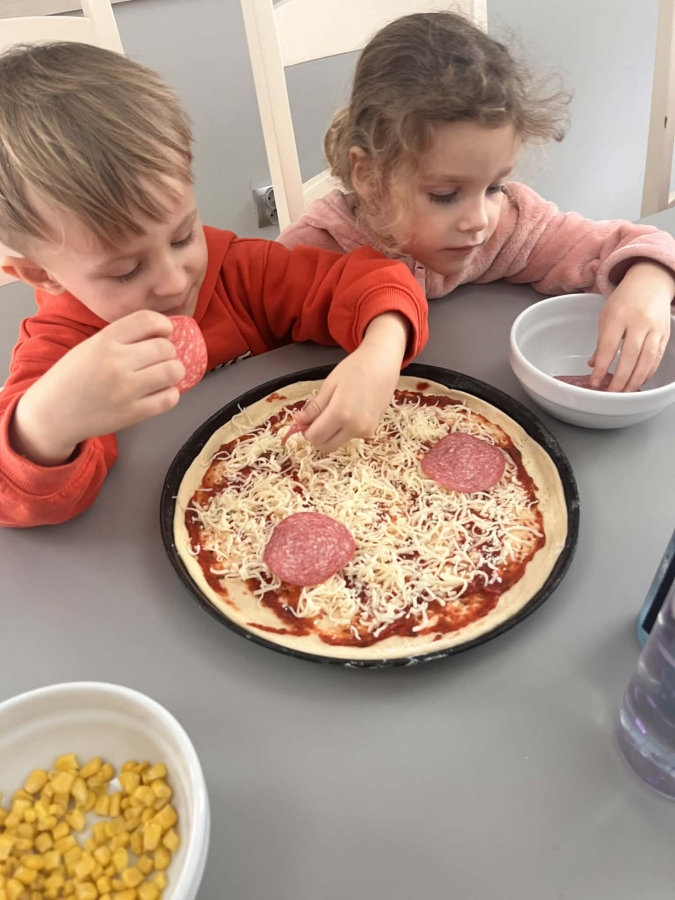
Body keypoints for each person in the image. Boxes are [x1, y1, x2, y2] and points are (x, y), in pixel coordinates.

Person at [0, 43, 428, 528]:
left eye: (183, 236)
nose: (173, 280)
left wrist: (380, 351)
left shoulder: (242, 273)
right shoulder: (60, 349)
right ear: (42, 274)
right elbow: (15, 498)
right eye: (126, 270)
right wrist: (48, 421)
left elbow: (375, 280)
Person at [279, 12, 675, 395]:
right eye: (445, 195)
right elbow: (256, 338)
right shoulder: (310, 251)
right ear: (369, 177)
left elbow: (623, 243)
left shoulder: (510, 229)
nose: (479, 220)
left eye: (494, 187)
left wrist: (650, 282)